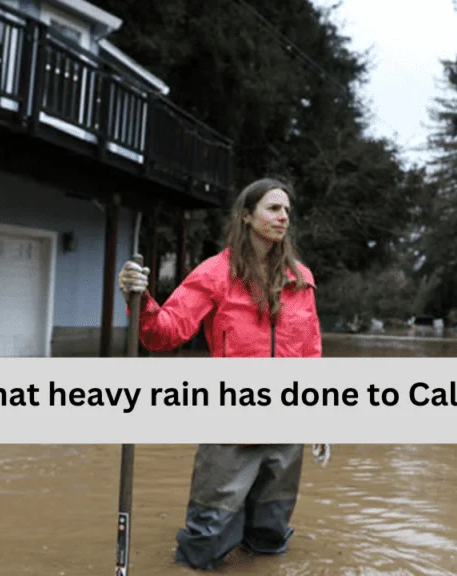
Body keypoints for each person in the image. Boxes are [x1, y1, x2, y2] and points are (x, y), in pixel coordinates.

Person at [117, 177, 326, 570]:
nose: (283, 218)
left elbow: (310, 353)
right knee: (205, 540)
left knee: (270, 537)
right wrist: (139, 297)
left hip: (287, 427)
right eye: (273, 208)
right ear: (247, 216)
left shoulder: (302, 280)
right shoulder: (215, 274)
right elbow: (164, 333)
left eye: (287, 211)